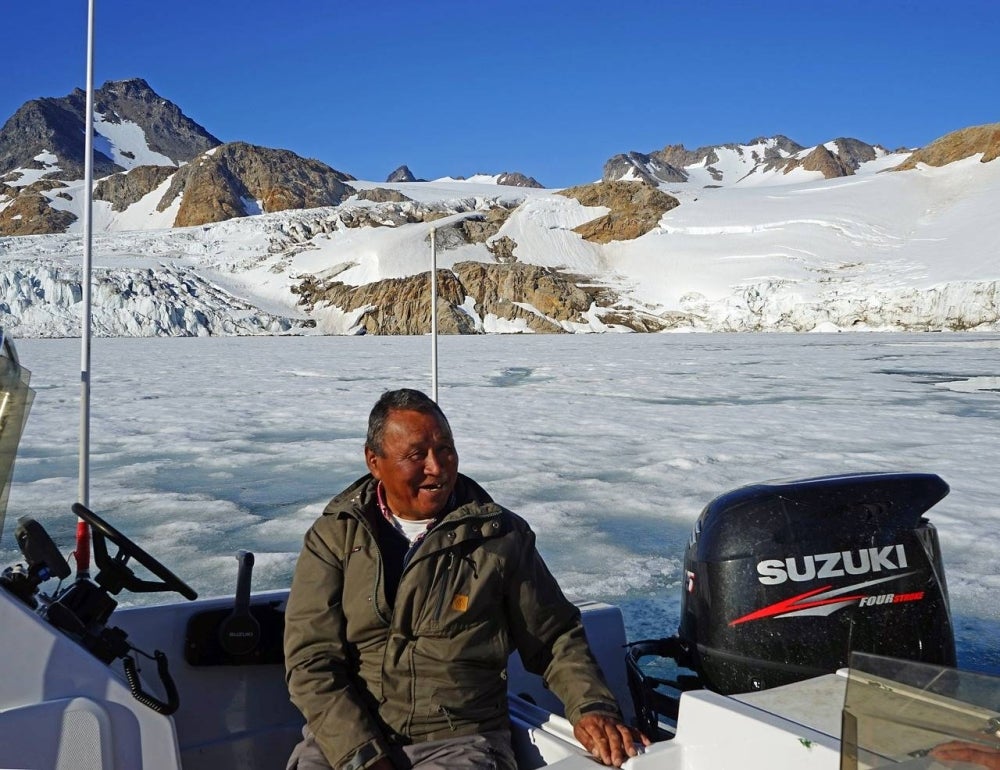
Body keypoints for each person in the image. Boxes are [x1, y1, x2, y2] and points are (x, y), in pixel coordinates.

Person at [284, 388, 649, 770]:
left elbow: (553, 636)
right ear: (374, 461)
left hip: (459, 741)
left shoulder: (499, 537)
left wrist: (591, 707)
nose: (437, 468)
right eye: (416, 455)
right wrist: (362, 756)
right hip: (348, 741)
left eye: (445, 449)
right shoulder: (335, 537)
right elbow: (311, 660)